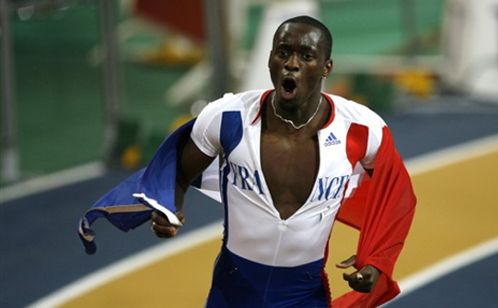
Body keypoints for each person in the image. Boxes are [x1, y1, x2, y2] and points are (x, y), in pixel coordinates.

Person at [79, 15, 415, 308]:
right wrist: (169, 209)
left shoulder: (361, 129)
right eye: (283, 53)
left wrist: (376, 259)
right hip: (233, 290)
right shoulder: (227, 118)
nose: (292, 64)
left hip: (303, 294)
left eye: (306, 56)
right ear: (269, 59)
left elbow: (395, 190)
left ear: (327, 67)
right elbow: (177, 171)